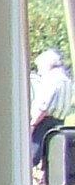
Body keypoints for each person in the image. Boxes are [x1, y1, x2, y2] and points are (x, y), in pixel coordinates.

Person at [33, 48, 72, 177]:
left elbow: (44, 106)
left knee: (32, 155)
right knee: (51, 155)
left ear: (47, 65)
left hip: (44, 121)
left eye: (40, 66)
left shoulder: (51, 79)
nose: (39, 70)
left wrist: (32, 124)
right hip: (59, 121)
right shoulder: (67, 80)